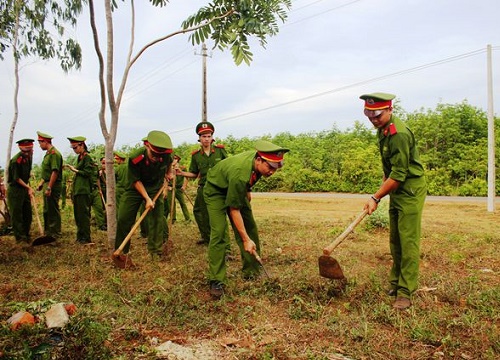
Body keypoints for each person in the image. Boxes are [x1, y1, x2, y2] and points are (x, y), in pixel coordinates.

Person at [360, 92, 427, 310]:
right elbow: (388, 170)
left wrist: (375, 196)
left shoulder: (399, 134)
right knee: (395, 239)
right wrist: (381, 193)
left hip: (410, 190)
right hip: (396, 188)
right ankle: (396, 282)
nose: (373, 120)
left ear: (390, 109)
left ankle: (406, 291)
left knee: (408, 240)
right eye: (369, 116)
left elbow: (399, 174)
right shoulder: (383, 130)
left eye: (377, 116)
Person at [203, 140, 289, 298]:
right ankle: (216, 280)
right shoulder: (240, 174)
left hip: (236, 187)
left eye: (275, 169)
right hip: (216, 190)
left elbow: (250, 178)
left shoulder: (257, 161)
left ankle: (252, 271)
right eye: (269, 167)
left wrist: (247, 190)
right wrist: (245, 240)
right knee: (219, 233)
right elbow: (234, 209)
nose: (271, 172)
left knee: (250, 226)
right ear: (258, 160)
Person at [112, 130, 174, 266]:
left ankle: (156, 252)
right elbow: (135, 181)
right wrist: (147, 199)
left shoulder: (167, 155)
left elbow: (169, 163)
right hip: (135, 188)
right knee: (123, 217)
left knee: (157, 219)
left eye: (160, 156)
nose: (157, 158)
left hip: (155, 187)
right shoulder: (136, 157)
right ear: (147, 146)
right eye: (154, 155)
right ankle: (122, 252)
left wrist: (169, 173)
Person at [66, 136, 94, 245]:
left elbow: (87, 173)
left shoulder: (88, 158)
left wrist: (75, 170)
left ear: (82, 145)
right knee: (78, 215)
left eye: (75, 147)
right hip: (78, 190)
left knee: (83, 215)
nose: (74, 150)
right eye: (73, 148)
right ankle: (80, 236)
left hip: (84, 190)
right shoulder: (80, 157)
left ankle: (86, 237)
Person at [36, 131, 63, 239]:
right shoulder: (48, 154)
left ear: (45, 141)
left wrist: (49, 187)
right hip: (48, 183)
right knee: (47, 209)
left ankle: (55, 233)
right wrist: (41, 183)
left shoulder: (54, 154)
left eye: (40, 143)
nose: (39, 145)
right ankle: (48, 232)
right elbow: (47, 172)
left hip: (53, 185)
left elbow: (55, 172)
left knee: (52, 209)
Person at [7, 139, 35, 243]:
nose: (27, 153)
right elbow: (16, 178)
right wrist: (28, 188)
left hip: (24, 188)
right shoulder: (16, 160)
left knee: (27, 213)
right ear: (20, 149)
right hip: (15, 189)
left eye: (29, 150)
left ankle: (26, 235)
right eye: (25, 151)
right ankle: (20, 238)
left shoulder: (30, 157)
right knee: (17, 214)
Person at [166, 155, 191, 223]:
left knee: (182, 203)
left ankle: (188, 218)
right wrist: (167, 187)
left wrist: (184, 186)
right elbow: (165, 178)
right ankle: (173, 219)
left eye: (175, 159)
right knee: (171, 204)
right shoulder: (169, 168)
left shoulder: (182, 168)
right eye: (173, 159)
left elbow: (186, 177)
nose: (174, 160)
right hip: (171, 188)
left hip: (179, 188)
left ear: (178, 160)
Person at [91, 156, 107, 230]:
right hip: (100, 190)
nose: (104, 164)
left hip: (107, 191)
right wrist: (100, 189)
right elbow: (98, 181)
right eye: (103, 162)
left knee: (105, 207)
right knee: (101, 206)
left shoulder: (111, 171)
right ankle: (98, 222)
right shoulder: (100, 172)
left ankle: (103, 222)